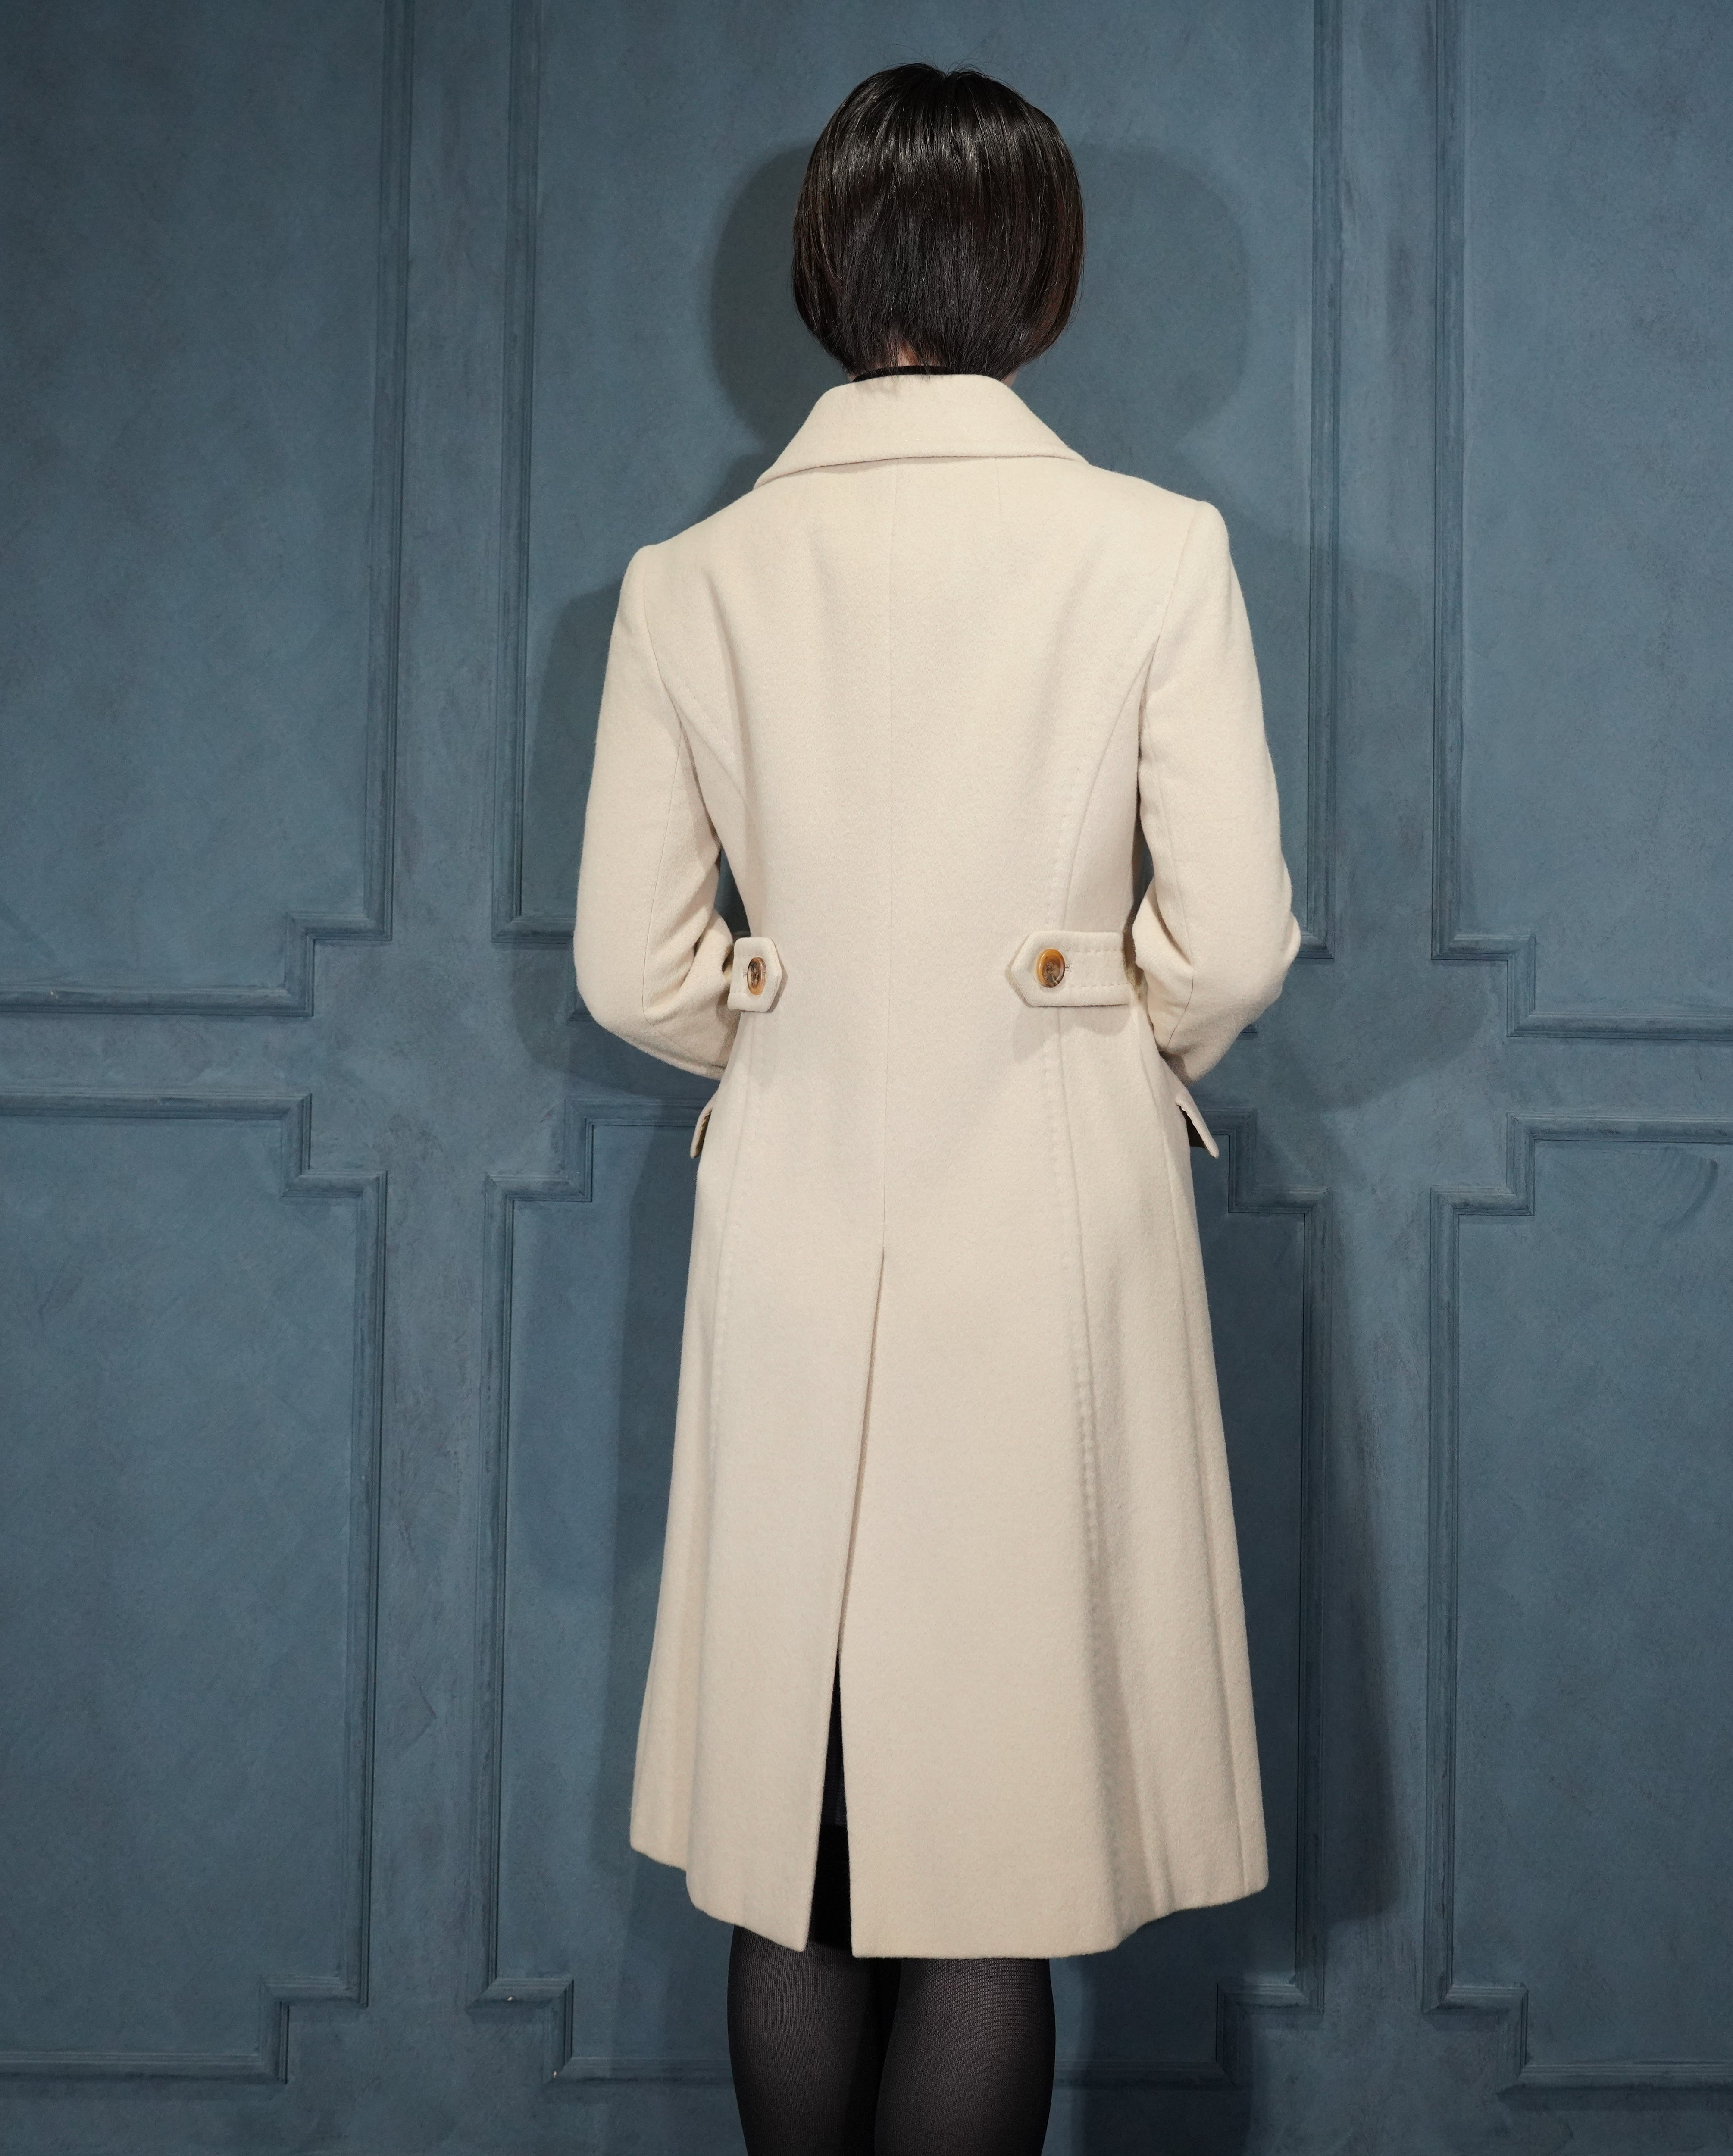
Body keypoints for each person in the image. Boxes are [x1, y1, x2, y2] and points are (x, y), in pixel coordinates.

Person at [572, 60, 1300, 2156]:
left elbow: (629, 970)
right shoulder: (1150, 553)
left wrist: (804, 1038)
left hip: (792, 1227)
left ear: (826, 268)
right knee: (992, 1851)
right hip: (1046, 1230)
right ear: (1036, 274)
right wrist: (1091, 1049)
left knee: (794, 1845)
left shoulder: (692, 577)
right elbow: (1229, 945)